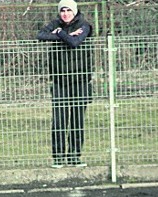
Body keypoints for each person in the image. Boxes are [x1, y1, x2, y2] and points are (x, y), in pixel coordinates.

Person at [37, 0, 93, 168]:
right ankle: (58, 157)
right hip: (59, 81)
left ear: (74, 11)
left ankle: (75, 156)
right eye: (63, 10)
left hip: (80, 81)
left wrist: (59, 33)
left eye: (69, 10)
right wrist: (63, 34)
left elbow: (75, 43)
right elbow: (40, 35)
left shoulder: (85, 25)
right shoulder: (54, 23)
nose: (65, 13)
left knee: (77, 120)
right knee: (59, 121)